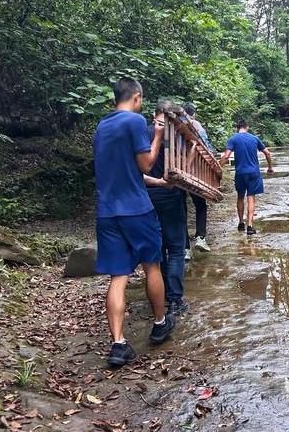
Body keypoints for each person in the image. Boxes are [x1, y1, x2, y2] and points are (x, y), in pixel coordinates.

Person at [93, 77, 175, 367]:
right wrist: (158, 135)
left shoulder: (102, 126)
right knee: (152, 265)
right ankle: (160, 323)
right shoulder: (135, 121)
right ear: (137, 97)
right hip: (136, 210)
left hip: (107, 212)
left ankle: (118, 344)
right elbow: (146, 163)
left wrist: (158, 183)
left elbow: (126, 171)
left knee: (118, 276)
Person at [144, 100, 189, 316]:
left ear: (154, 114)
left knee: (158, 248)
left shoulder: (141, 133)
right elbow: (185, 167)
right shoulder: (177, 134)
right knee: (177, 249)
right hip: (170, 195)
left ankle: (159, 294)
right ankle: (175, 298)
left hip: (146, 197)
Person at [219, 120, 274, 235]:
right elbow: (267, 153)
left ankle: (240, 222)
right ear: (247, 127)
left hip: (240, 173)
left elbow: (226, 156)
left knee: (240, 196)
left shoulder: (233, 139)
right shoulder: (254, 138)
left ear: (237, 128)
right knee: (251, 197)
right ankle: (250, 225)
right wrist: (270, 167)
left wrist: (218, 167)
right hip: (253, 173)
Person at [182, 103, 211, 254]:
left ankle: (185, 248)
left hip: (176, 170)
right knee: (200, 205)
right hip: (195, 171)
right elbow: (207, 148)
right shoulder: (197, 126)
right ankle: (201, 237)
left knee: (181, 208)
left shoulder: (173, 125)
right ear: (193, 114)